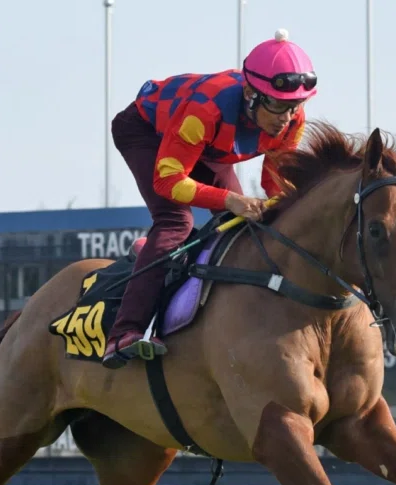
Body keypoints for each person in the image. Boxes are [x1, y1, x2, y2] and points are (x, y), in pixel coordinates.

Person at [101, 28, 318, 370]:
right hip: (146, 131)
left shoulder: (292, 121)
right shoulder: (206, 109)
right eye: (278, 106)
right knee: (176, 222)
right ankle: (125, 331)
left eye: (296, 106)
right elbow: (168, 180)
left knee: (242, 222)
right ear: (250, 94)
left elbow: (273, 183)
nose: (286, 118)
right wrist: (231, 200)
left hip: (204, 145)